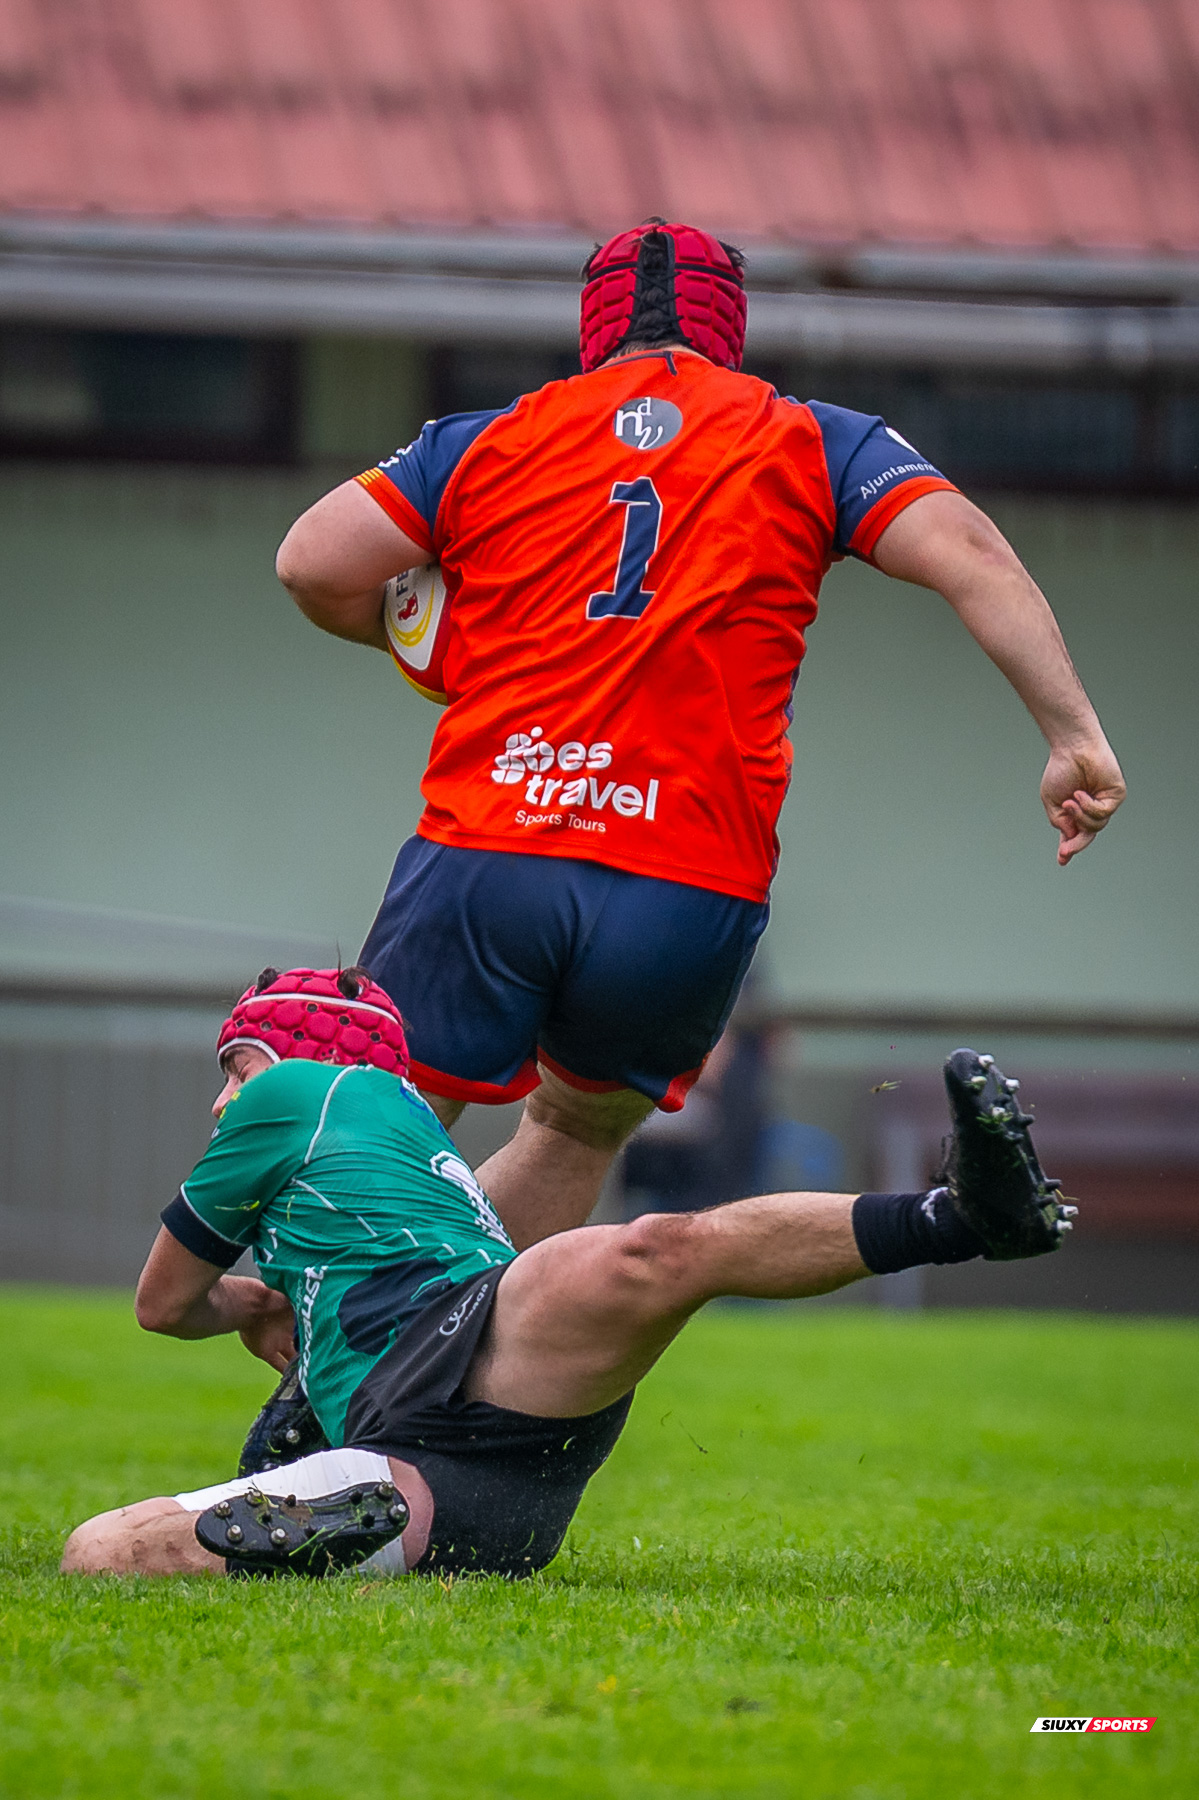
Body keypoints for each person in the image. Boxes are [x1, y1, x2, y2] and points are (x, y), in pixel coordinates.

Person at [275, 220, 1125, 1252]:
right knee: (575, 1129)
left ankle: (326, 1367)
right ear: (730, 330)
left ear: (592, 327)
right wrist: (1068, 732)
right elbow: (970, 553)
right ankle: (443, 1363)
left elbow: (313, 561)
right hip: (684, 878)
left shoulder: (486, 439)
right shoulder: (810, 439)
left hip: (492, 838)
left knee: (387, 1122)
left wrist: (432, 648)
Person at [62, 966, 1076, 1581]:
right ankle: (359, 1517)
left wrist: (238, 1301)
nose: (220, 1102)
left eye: (231, 1069)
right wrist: (271, 1307)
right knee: (95, 1555)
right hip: (468, 1473)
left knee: (653, 1251)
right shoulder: (395, 1127)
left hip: (466, 1347)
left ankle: (964, 1214)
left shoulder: (295, 1096)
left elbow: (162, 1303)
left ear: (287, 1060)